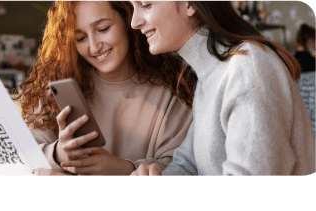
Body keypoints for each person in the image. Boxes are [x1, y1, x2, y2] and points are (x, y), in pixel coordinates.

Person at [129, 1, 316, 176]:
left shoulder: (246, 68)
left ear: (190, 4)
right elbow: (188, 165)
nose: (134, 22)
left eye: (145, 5)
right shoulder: (210, 74)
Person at [15, 1, 195, 176]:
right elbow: (16, 160)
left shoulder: (174, 91)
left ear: (128, 20)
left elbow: (184, 167)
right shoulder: (55, 89)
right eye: (80, 38)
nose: (94, 47)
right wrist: (57, 154)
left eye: (103, 29)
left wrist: (122, 169)